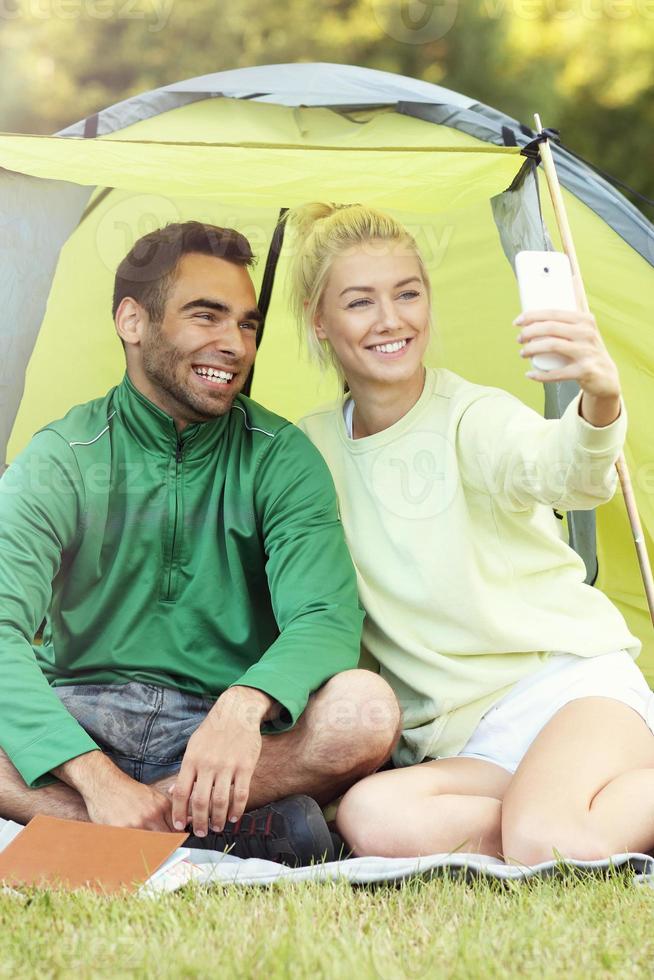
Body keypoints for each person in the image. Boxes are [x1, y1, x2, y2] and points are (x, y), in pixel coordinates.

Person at [0, 220, 400, 866]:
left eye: (246, 324)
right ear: (133, 321)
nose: (234, 344)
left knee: (368, 711)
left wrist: (244, 706)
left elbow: (326, 618)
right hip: (79, 726)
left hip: (221, 739)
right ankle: (138, 822)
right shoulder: (62, 457)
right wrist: (95, 778)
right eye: (206, 317)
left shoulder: (281, 457)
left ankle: (106, 828)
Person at [288, 202, 654, 864]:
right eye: (360, 302)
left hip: (567, 689)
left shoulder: (473, 415)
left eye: (408, 293)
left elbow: (567, 473)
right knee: (371, 815)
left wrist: (600, 396)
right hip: (470, 743)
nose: (392, 319)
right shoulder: (307, 449)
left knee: (545, 840)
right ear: (319, 319)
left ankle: (553, 820)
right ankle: (563, 816)